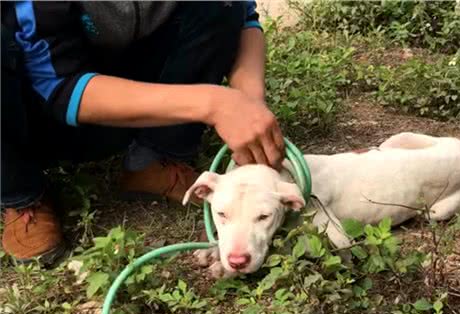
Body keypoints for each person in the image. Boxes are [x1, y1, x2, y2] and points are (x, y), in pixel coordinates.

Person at [1, 1, 285, 265]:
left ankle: (154, 159)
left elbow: (242, 15)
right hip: (35, 111)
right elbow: (57, 86)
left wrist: (249, 106)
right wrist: (214, 104)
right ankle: (22, 195)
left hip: (134, 94)